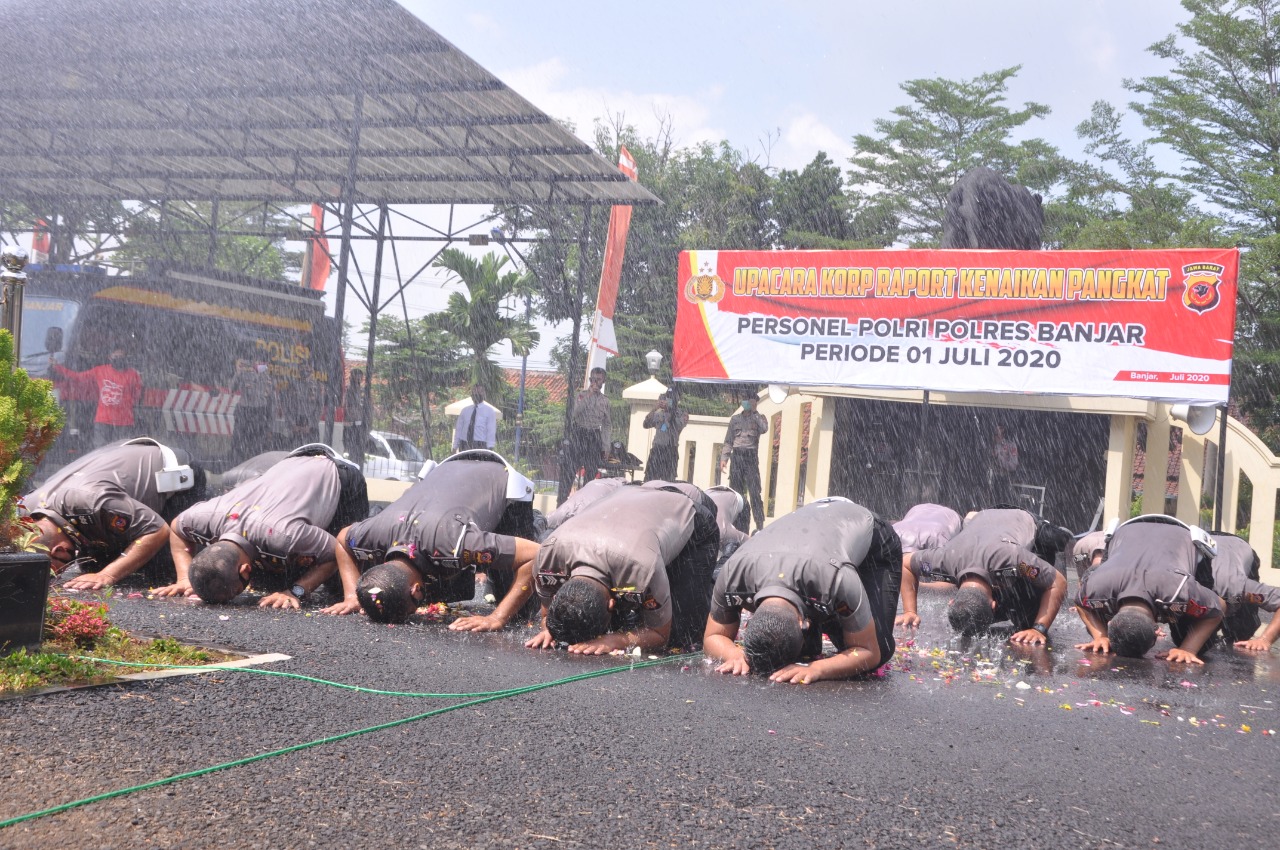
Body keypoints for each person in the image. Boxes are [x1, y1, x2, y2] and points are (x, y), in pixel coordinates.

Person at [321, 454, 540, 627]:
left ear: (416, 590)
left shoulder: (455, 545)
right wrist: (351, 595)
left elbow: (536, 555)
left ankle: (538, 529)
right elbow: (342, 541)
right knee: (438, 576)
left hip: (504, 480)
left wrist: (498, 617)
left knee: (519, 613)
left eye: (411, 610)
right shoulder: (373, 536)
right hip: (446, 472)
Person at [702, 497, 902, 684]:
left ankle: (823, 625)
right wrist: (735, 654)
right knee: (797, 649)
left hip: (870, 537)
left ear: (803, 622)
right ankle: (809, 636)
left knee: (879, 649)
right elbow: (712, 637)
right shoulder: (732, 575)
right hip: (808, 541)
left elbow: (868, 651)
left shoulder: (836, 579)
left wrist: (819, 668)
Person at [154, 448, 364, 608]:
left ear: (244, 569)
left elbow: (336, 550)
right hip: (291, 466)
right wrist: (183, 577)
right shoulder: (207, 518)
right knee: (275, 580)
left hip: (340, 476)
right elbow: (176, 528)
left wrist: (296, 592)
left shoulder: (284, 535)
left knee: (343, 581)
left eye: (237, 591)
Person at [526, 482, 720, 653]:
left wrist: (616, 640)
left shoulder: (642, 569)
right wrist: (551, 629)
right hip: (632, 497)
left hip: (689, 514)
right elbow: (547, 613)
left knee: (682, 635)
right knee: (620, 620)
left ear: (612, 603)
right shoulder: (546, 559)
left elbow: (660, 634)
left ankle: (710, 588)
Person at [24, 438, 207, 590]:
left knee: (160, 571)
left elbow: (158, 530)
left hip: (177, 473)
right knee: (92, 566)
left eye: (54, 570)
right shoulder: (28, 509)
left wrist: (108, 574)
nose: (58, 575)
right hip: (117, 473)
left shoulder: (93, 503)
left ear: (61, 550)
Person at [898, 507, 1069, 644]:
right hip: (986, 518)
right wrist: (910, 611)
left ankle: (1059, 533)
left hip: (1024, 519)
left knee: (1027, 619)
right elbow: (905, 564)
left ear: (994, 604)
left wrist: (1039, 628)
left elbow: (1057, 582)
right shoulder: (943, 560)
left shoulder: (1014, 561)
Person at [1074, 516, 1224, 664]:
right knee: (1095, 600)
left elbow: (1220, 607)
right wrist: (1100, 636)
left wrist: (1188, 649)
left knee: (1194, 638)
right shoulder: (1098, 587)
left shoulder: (1180, 591)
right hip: (1128, 531)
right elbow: (1080, 602)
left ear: (1156, 628)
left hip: (1185, 537)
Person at [51, 347, 142, 447]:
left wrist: (126, 406)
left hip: (125, 422)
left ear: (125, 358)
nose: (119, 358)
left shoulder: (133, 374)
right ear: (110, 357)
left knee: (122, 452)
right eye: (116, 356)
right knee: (100, 452)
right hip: (103, 421)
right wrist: (57, 367)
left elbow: (137, 395)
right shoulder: (100, 371)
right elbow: (77, 377)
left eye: (121, 356)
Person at [1207, 531, 1280, 652]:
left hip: (1236, 546)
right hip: (1205, 540)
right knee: (1184, 636)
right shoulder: (1178, 586)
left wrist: (1265, 639)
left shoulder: (1237, 587)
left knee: (1241, 632)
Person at [719, 392, 769, 534]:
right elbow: (729, 440)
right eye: (744, 399)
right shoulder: (735, 420)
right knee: (736, 492)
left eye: (748, 400)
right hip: (737, 456)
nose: (745, 402)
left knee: (754, 492)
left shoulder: (759, 418)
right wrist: (724, 458)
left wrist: (754, 411)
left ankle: (759, 525)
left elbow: (764, 429)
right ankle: (735, 524)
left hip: (751, 456)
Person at [564, 366, 610, 491]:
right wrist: (589, 394)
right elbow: (575, 413)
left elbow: (606, 425)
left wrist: (606, 446)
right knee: (571, 469)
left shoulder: (605, 400)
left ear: (603, 381)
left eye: (599, 380)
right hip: (580, 433)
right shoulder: (581, 395)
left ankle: (585, 498)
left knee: (591, 471)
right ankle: (562, 500)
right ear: (590, 379)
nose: (595, 382)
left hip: (594, 435)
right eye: (593, 379)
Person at [230, 358, 277, 459]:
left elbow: (272, 404)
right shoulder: (244, 374)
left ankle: (252, 468)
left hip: (260, 414)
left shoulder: (270, 379)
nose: (260, 364)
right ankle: (236, 464)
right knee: (238, 444)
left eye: (263, 362)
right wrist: (238, 373)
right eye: (258, 361)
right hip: (244, 411)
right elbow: (232, 388)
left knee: (256, 447)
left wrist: (270, 426)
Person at [642, 390, 688, 482]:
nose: (668, 400)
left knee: (668, 482)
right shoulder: (659, 413)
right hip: (657, 450)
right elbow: (646, 424)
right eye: (667, 398)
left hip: (670, 450)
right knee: (650, 480)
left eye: (671, 399)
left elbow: (678, 426)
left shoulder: (682, 414)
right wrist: (655, 407)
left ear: (677, 400)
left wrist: (671, 410)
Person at [453, 384, 497, 451]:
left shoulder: (489, 411)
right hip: (464, 444)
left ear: (483, 394)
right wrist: (455, 447)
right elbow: (458, 429)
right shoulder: (465, 411)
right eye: (474, 392)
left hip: (480, 445)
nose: (476, 394)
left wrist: (490, 449)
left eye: (478, 392)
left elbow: (491, 431)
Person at [344, 369, 369, 466]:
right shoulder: (347, 390)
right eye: (355, 376)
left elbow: (368, 407)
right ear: (351, 377)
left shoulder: (363, 391)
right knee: (350, 451)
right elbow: (345, 405)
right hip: (349, 425)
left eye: (359, 376)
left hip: (361, 424)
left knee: (359, 451)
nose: (358, 378)